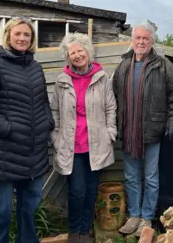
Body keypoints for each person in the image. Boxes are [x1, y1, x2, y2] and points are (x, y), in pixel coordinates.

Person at [0, 17, 53, 243]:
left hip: (34, 154)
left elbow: (44, 102)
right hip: (5, 154)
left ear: (32, 39)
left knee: (30, 210)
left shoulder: (35, 66)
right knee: (1, 213)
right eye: (17, 34)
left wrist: (47, 124)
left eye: (27, 35)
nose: (22, 38)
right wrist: (6, 129)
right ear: (8, 36)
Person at [112, 21, 173, 236]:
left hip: (153, 131)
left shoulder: (163, 66)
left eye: (145, 38)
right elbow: (114, 97)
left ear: (152, 41)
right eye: (138, 38)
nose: (141, 42)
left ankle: (147, 218)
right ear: (132, 40)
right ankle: (134, 215)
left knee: (151, 176)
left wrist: (172, 122)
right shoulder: (123, 66)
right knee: (131, 176)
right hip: (129, 131)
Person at [50, 32, 117, 243]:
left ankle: (86, 231)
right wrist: (56, 138)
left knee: (90, 190)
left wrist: (110, 134)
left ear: (88, 51)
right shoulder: (62, 81)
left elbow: (110, 108)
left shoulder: (101, 78)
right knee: (77, 191)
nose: (77, 55)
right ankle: (74, 231)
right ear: (68, 57)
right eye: (73, 53)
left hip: (97, 144)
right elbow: (54, 112)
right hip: (71, 145)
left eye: (80, 50)